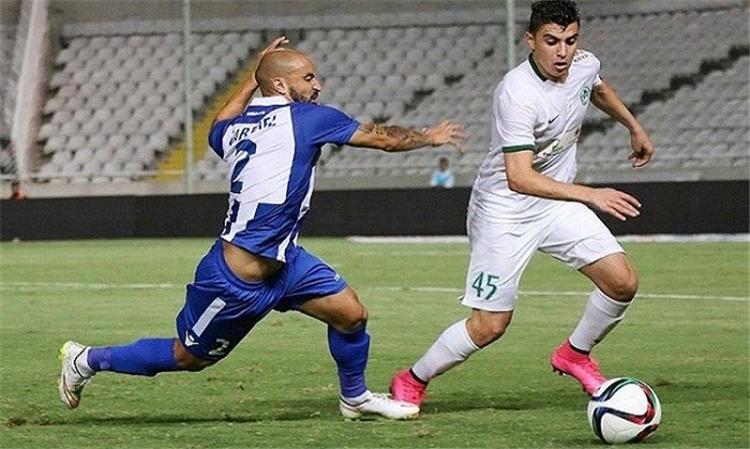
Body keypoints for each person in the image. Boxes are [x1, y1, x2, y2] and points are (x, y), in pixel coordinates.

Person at [58, 36, 464, 419]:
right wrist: (430, 137)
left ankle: (354, 398)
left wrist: (252, 79)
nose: (317, 86)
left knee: (351, 315)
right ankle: (86, 359)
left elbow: (219, 122)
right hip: (237, 277)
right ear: (280, 84)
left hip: (286, 263)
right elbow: (385, 139)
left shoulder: (237, 130)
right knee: (189, 357)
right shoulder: (308, 119)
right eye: (308, 77)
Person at [390, 0, 655, 408]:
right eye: (551, 41)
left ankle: (574, 354)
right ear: (530, 39)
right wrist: (591, 194)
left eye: (570, 41)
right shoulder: (516, 93)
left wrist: (634, 126)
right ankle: (412, 378)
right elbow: (520, 177)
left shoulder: (583, 64)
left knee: (622, 282)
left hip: (554, 202)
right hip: (505, 208)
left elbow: (596, 87)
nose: (562, 52)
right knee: (490, 325)